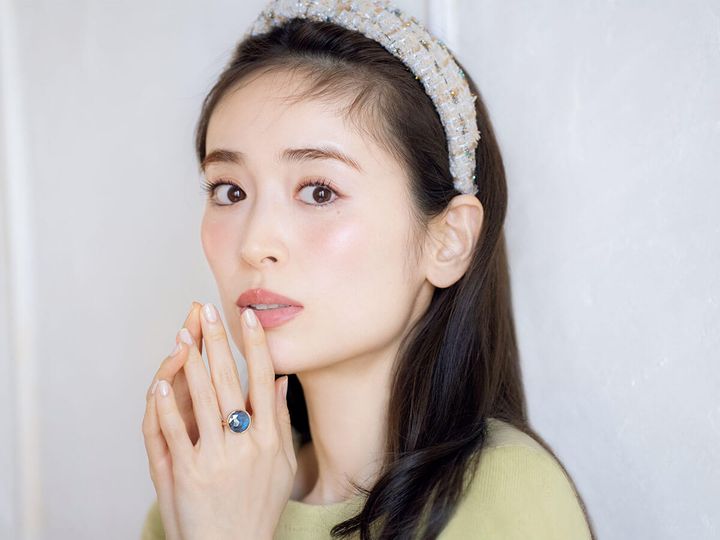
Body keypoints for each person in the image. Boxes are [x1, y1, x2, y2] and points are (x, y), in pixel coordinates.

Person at [141, 1, 596, 538]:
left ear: (448, 240)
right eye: (230, 191)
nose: (254, 244)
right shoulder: (207, 489)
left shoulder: (504, 492)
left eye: (319, 191)